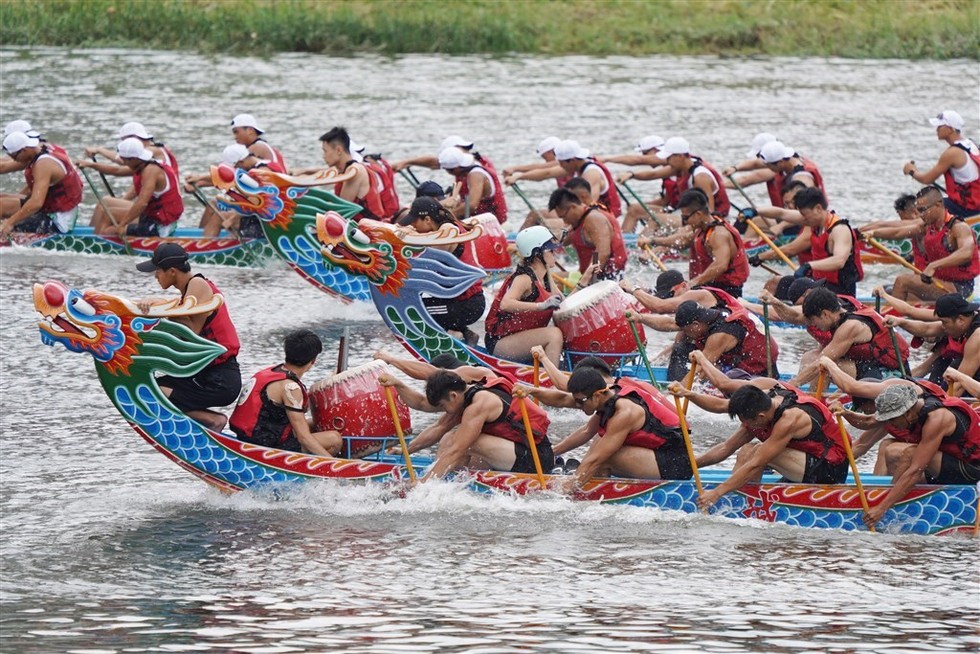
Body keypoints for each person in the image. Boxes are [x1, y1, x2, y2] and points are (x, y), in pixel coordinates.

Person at [135, 243, 242, 431]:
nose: (155, 276)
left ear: (173, 271)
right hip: (205, 372)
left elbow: (190, 335)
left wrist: (162, 307)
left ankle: (213, 420)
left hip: (220, 379)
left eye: (158, 271)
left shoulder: (198, 284)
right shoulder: (187, 292)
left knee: (150, 393)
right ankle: (209, 420)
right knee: (146, 387)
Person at [695, 381, 850, 510]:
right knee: (746, 450)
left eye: (746, 422)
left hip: (830, 470)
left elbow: (757, 463)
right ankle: (743, 499)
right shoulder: (762, 403)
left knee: (757, 453)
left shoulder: (790, 419)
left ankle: (746, 503)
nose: (745, 425)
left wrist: (716, 492)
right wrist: (689, 464)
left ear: (760, 417)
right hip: (803, 462)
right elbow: (726, 447)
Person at [857, 383, 980, 529]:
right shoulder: (918, 408)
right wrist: (845, 414)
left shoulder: (937, 419)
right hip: (955, 462)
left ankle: (886, 504)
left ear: (908, 413)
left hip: (972, 469)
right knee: (890, 450)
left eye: (892, 419)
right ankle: (884, 494)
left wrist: (882, 508)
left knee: (911, 454)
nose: (890, 424)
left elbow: (916, 470)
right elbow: (868, 422)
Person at [554, 366, 692, 490]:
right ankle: (589, 481)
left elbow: (597, 459)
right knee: (600, 441)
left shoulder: (624, 413)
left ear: (597, 395)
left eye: (580, 401)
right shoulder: (608, 395)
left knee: (604, 458)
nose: (577, 405)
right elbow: (586, 431)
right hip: (656, 454)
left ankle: (586, 489)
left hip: (675, 463)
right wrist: (552, 452)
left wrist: (564, 492)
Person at [417, 370, 555, 479]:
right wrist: (404, 450)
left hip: (538, 460)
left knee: (466, 442)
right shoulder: (467, 395)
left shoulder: (479, 404)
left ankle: (437, 480)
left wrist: (423, 484)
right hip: (514, 453)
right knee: (448, 438)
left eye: (442, 405)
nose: (444, 410)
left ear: (453, 395)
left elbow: (457, 449)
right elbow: (438, 427)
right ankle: (447, 479)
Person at [229, 329, 342, 457]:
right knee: (334, 439)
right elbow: (303, 437)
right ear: (313, 361)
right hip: (265, 445)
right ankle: (316, 468)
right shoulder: (290, 387)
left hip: (251, 435)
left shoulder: (271, 372)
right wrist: (334, 465)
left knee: (317, 424)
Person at [862, 186, 979, 300]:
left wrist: (934, 265)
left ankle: (893, 319)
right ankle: (903, 314)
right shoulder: (927, 226)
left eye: (923, 210)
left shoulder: (958, 227)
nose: (920, 215)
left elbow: (966, 252)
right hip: (939, 283)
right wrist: (873, 233)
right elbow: (898, 232)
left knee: (902, 281)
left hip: (960, 289)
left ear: (938, 205)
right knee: (883, 291)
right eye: (919, 210)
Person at [397, 197, 486, 344]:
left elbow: (427, 255)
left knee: (412, 311)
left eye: (414, 222)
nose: (413, 225)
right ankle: (465, 333)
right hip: (461, 300)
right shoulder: (447, 225)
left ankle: (452, 339)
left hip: (467, 304)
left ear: (427, 219)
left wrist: (408, 236)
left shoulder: (448, 230)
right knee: (415, 304)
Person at [750, 187, 863, 297]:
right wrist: (755, 211)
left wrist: (808, 266)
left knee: (800, 292)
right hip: (818, 283)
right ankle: (761, 311)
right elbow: (781, 213)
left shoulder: (839, 230)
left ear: (818, 208)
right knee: (775, 283)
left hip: (839, 291)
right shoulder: (814, 221)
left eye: (804, 214)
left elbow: (839, 261)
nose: (803, 219)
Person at [483, 226, 566, 366]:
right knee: (554, 334)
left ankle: (556, 372)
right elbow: (506, 304)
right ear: (537, 254)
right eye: (551, 250)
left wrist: (586, 278)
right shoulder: (524, 278)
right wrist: (541, 306)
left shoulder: (545, 276)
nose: (555, 254)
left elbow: (565, 304)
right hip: (501, 342)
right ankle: (553, 381)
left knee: (561, 331)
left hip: (519, 339)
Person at [645, 189, 749, 297]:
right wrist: (653, 241)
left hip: (725, 292)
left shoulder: (719, 235)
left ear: (698, 214)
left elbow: (720, 265)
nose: (685, 222)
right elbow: (682, 241)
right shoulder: (702, 228)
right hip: (707, 287)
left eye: (685, 218)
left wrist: (692, 283)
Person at [794, 287, 907, 386]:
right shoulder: (842, 313)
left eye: (813, 320)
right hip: (871, 367)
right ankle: (812, 398)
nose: (813, 325)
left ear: (825, 314)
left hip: (890, 374)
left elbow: (821, 362)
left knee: (825, 367)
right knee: (809, 357)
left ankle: (814, 405)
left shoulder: (849, 327)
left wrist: (792, 384)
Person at [81, 138, 183, 236]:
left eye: (124, 159)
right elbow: (116, 171)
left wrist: (122, 225)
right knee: (109, 213)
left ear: (133, 159)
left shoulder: (151, 171)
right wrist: (91, 165)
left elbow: (142, 203)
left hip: (160, 225)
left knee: (109, 231)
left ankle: (97, 243)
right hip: (152, 217)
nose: (123, 162)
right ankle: (94, 237)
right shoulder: (143, 164)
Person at [188, 143, 286, 237]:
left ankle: (205, 248)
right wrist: (199, 181)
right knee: (214, 203)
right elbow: (230, 179)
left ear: (241, 162)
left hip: (268, 221)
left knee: (218, 217)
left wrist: (235, 217)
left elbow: (258, 202)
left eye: (234, 168)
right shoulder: (260, 165)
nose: (234, 170)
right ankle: (199, 239)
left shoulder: (262, 172)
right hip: (263, 213)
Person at [884, 294, 979, 388]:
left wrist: (938, 402)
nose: (942, 326)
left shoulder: (976, 337)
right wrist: (900, 322)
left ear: (960, 320)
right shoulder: (959, 324)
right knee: (943, 360)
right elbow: (927, 329)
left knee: (955, 366)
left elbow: (959, 386)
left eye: (944, 322)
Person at [669, 298, 778, 381]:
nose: (687, 334)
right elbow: (678, 343)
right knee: (681, 349)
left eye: (687, 330)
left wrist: (677, 392)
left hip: (759, 373)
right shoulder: (712, 314)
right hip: (734, 363)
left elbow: (702, 369)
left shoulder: (720, 334)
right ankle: (674, 382)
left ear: (696, 325)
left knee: (704, 371)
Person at [0, 131, 82, 238]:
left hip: (58, 222)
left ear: (24, 150)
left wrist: (9, 222)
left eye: (15, 157)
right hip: (50, 209)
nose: (15, 161)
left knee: (8, 224)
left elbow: (36, 203)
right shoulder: (41, 149)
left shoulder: (43, 164)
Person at [510, 140, 622, 217]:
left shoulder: (591, 174)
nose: (560, 166)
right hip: (593, 215)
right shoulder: (576, 166)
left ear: (572, 160)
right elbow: (547, 173)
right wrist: (520, 177)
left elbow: (589, 205)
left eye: (561, 163)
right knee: (540, 214)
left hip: (605, 217)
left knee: (537, 216)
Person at [903, 110, 980, 217]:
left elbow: (927, 179)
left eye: (940, 126)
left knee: (920, 207)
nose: (936, 129)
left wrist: (912, 171)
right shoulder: (970, 144)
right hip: (973, 204)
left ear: (950, 129)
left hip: (968, 209)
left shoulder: (952, 153)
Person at [631, 137, 730, 218]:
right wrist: (631, 175)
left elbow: (709, 212)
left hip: (714, 219)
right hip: (687, 214)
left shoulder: (700, 177)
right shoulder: (683, 168)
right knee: (635, 209)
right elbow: (653, 174)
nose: (667, 161)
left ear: (680, 156)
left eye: (669, 158)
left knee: (658, 218)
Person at [547, 187, 627, 281]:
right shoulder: (579, 220)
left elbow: (602, 252)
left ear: (573, 207)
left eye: (563, 217)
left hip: (607, 279)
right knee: (549, 279)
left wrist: (586, 279)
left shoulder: (593, 219)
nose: (564, 221)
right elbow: (561, 239)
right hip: (589, 275)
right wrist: (543, 244)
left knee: (550, 283)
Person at [320, 126, 385, 221]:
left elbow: (341, 211)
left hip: (368, 231)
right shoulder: (347, 170)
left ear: (338, 150)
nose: (323, 156)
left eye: (325, 151)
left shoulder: (354, 172)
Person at [83, 121, 180, 180]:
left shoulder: (151, 151)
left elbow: (121, 164)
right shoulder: (150, 150)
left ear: (134, 138)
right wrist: (99, 150)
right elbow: (123, 160)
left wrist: (95, 158)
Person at [438, 147, 507, 224]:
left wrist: (447, 216)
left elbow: (471, 205)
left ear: (454, 169)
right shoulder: (473, 165)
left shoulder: (476, 175)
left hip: (491, 222)